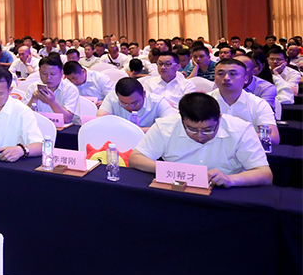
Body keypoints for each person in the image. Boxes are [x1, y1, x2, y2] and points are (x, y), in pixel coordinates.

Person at [129, 93, 272, 188]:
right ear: (182, 119)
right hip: (177, 189)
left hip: (223, 192)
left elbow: (265, 174)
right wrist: (171, 170)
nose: (200, 135)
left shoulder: (241, 130)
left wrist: (232, 179)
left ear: (219, 117)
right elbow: (136, 158)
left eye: (208, 129)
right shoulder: (165, 126)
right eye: (191, 129)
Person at [209, 58, 278, 145]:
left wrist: (235, 136)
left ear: (245, 79)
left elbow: (273, 137)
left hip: (247, 150)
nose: (226, 78)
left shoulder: (258, 104)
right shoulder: (204, 102)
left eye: (232, 74)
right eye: (221, 74)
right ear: (214, 78)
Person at [96, 78, 174, 130]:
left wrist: (135, 131)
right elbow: (100, 119)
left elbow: (171, 124)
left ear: (144, 94)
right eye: (125, 104)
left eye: (135, 103)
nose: (131, 107)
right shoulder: (112, 97)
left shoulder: (157, 101)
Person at [24, 57, 78, 126]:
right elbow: (24, 116)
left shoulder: (70, 89)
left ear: (61, 73)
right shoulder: (32, 88)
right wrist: (33, 99)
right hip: (37, 126)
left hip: (62, 129)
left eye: (53, 74)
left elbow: (67, 119)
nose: (48, 77)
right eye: (44, 73)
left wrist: (52, 102)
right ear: (39, 72)